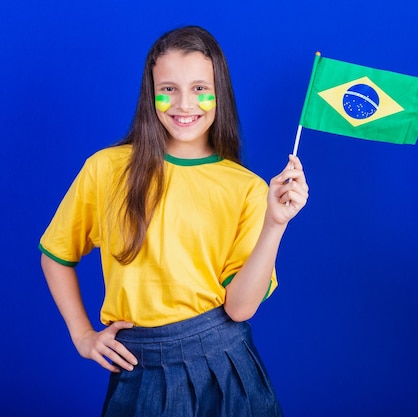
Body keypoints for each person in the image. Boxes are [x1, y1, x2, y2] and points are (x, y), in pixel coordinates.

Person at [39, 25, 308, 417]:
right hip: (139, 365)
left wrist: (275, 223)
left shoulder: (248, 188)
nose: (185, 104)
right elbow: (56, 255)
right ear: (151, 95)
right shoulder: (106, 169)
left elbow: (240, 309)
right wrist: (82, 335)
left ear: (221, 94)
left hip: (225, 367)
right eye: (169, 89)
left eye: (200, 88)